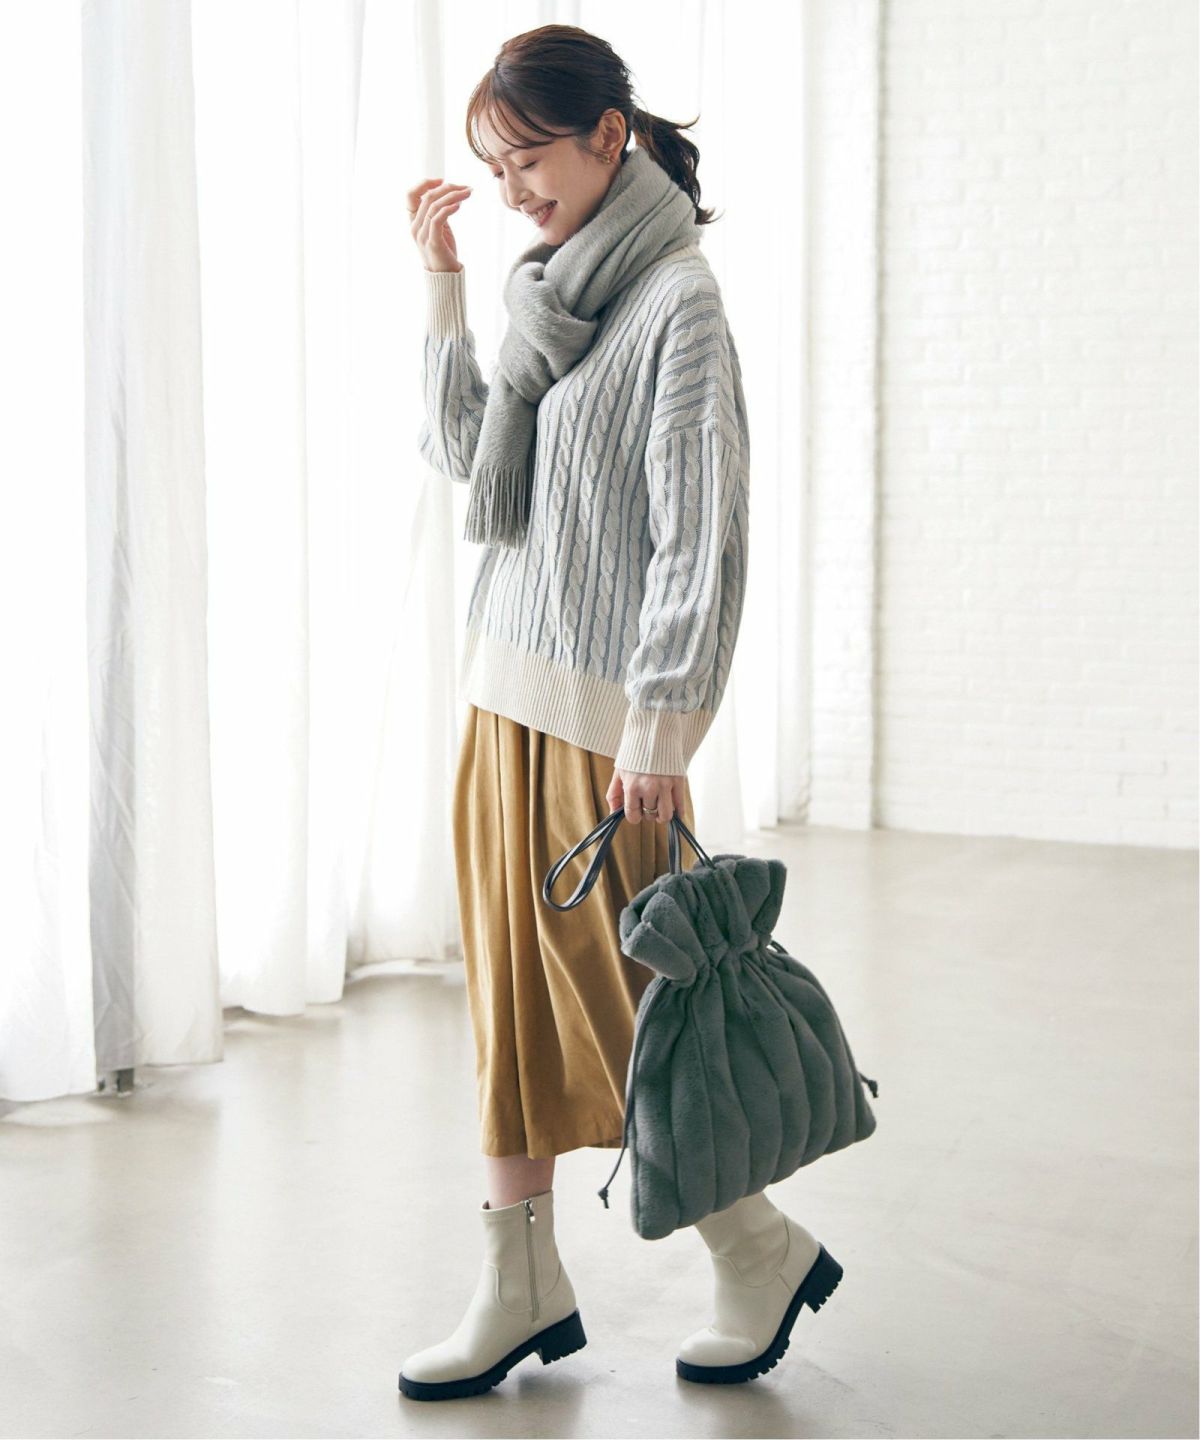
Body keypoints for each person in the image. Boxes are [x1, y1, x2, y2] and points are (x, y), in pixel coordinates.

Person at [398, 22, 826, 1403]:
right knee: (512, 1007)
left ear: (608, 135)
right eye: (494, 166)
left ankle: (756, 1246)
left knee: (632, 1010)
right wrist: (445, 287)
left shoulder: (676, 303)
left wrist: (659, 733)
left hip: (601, 730)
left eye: (529, 157)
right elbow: (467, 461)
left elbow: (701, 536)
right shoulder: (544, 295)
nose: (513, 188)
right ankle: (519, 1280)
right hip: (500, 696)